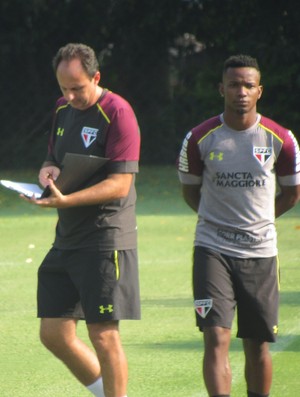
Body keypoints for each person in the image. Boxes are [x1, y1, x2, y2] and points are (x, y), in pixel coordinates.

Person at [177, 54, 300, 397]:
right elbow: (190, 191)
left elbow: (292, 194)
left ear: (259, 90)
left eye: (248, 85)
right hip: (212, 248)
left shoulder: (281, 139)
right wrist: (217, 221)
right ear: (221, 89)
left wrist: (257, 221)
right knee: (215, 336)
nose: (241, 92)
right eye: (234, 85)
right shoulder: (200, 138)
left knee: (257, 344)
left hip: (260, 252)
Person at [23, 43, 141, 397]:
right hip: (68, 237)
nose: (71, 95)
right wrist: (47, 173)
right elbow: (51, 158)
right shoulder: (62, 109)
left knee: (103, 334)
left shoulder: (118, 113)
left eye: (78, 87)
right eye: (64, 88)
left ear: (96, 77)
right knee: (54, 333)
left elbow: (121, 185)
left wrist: (66, 200)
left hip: (105, 238)